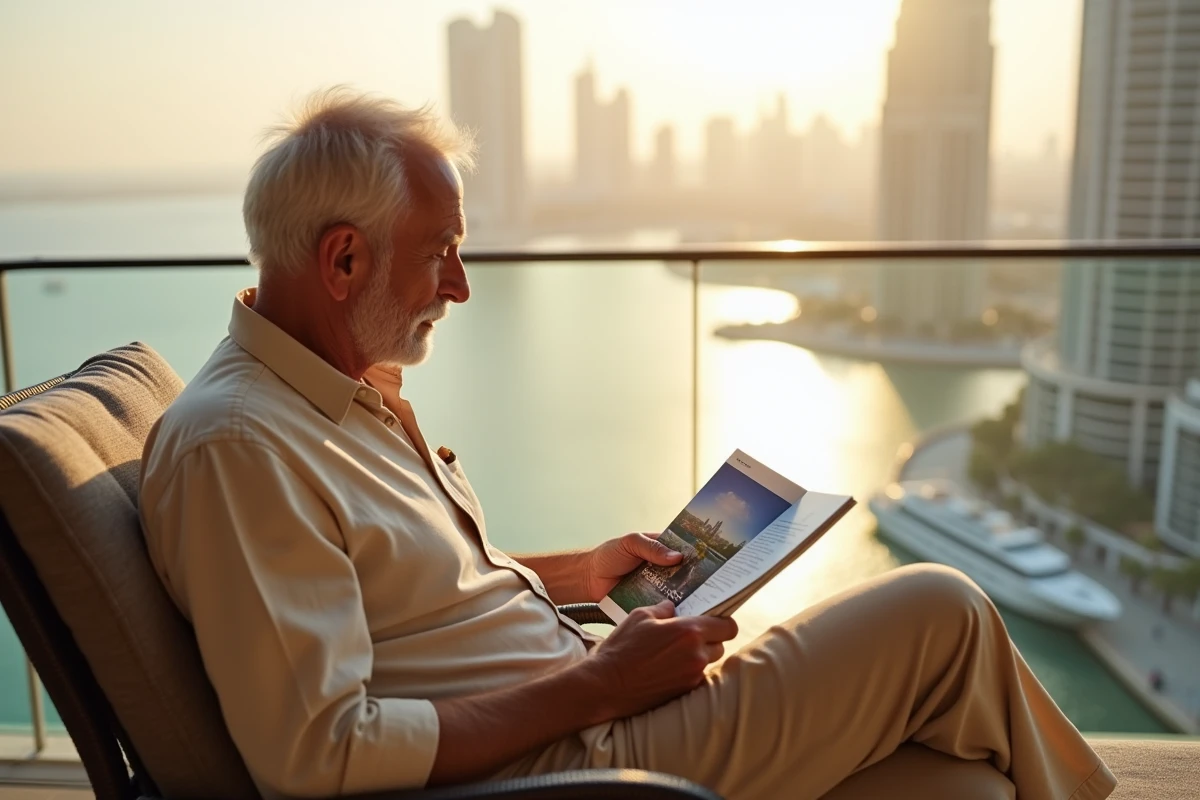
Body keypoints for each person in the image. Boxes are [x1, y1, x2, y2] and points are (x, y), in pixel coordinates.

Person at [139, 88, 1116, 800]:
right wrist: (600, 681)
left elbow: (385, 595)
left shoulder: (330, 400)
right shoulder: (240, 447)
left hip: (592, 707)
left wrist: (582, 571)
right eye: (442, 252)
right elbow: (318, 749)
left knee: (965, 790)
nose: (461, 286)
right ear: (345, 258)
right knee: (940, 608)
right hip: (579, 762)